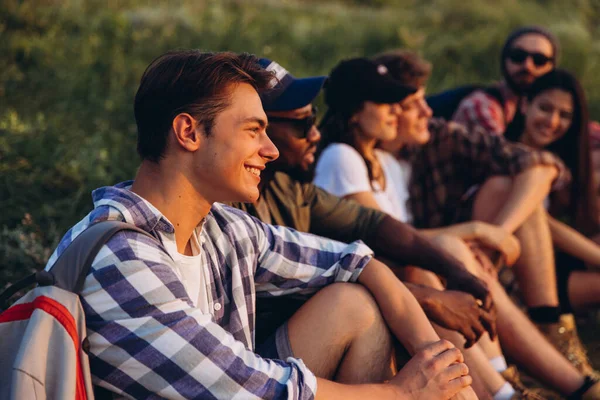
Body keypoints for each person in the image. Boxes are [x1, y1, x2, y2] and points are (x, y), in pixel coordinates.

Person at [42, 50, 474, 400]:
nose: (269, 149)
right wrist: (400, 393)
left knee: (354, 304)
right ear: (188, 133)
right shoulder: (120, 256)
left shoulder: (220, 228)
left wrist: (432, 361)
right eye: (254, 130)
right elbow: (246, 386)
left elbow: (357, 262)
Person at [316, 50, 600, 399]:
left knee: (472, 227)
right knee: (442, 255)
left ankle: (522, 378)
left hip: (403, 279)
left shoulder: (386, 160)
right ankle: (510, 387)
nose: (399, 111)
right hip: (375, 284)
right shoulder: (341, 158)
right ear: (356, 111)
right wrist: (476, 232)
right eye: (389, 103)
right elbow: (384, 236)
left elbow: (539, 166)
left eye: (397, 103)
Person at [452, 26, 557, 135]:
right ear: (504, 59)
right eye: (518, 56)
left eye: (539, 60)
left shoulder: (549, 111)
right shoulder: (481, 105)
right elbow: (503, 150)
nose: (527, 66)